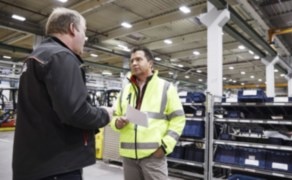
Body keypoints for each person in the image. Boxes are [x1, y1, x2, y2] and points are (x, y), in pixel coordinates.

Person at [12, 7, 113, 180]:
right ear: (73, 29)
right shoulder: (61, 57)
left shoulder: (36, 56)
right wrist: (105, 114)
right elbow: (77, 112)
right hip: (56, 166)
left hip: (33, 164)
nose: (86, 38)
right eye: (84, 31)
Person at [110, 47, 186, 180]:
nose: (134, 63)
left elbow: (178, 120)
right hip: (129, 157)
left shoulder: (166, 87)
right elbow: (115, 115)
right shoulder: (125, 90)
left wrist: (164, 146)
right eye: (132, 60)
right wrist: (117, 122)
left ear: (150, 63)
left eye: (138, 59)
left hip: (153, 156)